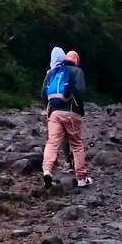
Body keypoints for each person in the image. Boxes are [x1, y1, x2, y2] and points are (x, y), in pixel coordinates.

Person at [41, 49, 89, 188]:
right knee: (77, 145)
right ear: (76, 61)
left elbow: (44, 92)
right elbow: (80, 92)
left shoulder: (52, 72)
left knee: (52, 143)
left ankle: (47, 170)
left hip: (54, 114)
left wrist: (49, 108)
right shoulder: (77, 72)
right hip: (71, 112)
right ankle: (81, 177)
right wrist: (79, 109)